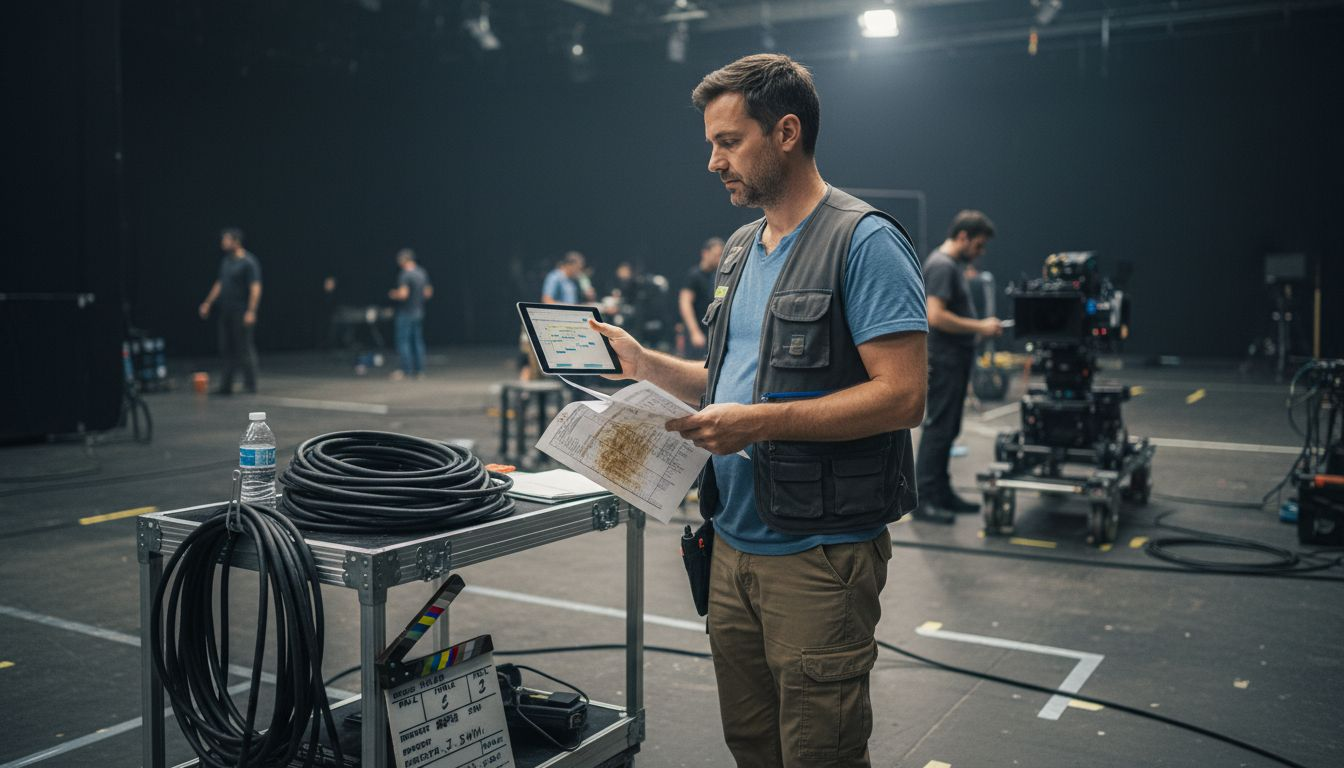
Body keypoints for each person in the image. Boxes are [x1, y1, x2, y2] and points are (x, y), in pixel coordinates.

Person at [588, 54, 927, 768]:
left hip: (817, 556)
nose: (712, 161)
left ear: (786, 133)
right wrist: (646, 365)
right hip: (732, 545)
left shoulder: (864, 241)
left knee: (819, 754)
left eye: (727, 140)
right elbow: (728, 376)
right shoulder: (743, 248)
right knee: (753, 746)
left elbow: (903, 395)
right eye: (711, 142)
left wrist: (759, 421)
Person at [913, 210, 1003, 524]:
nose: (980, 253)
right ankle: (925, 500)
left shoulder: (953, 266)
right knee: (939, 428)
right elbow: (934, 316)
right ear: (963, 236)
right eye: (978, 246)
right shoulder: (941, 266)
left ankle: (941, 492)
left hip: (955, 359)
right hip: (944, 359)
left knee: (949, 428)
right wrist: (980, 327)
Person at [198, 227, 261, 395]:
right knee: (226, 348)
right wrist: (207, 303)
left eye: (226, 240)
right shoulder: (226, 261)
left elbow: (255, 287)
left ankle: (251, 384)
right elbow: (220, 284)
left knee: (244, 348)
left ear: (236, 241)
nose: (223, 243)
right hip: (226, 310)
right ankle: (226, 385)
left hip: (241, 311)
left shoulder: (248, 262)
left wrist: (251, 311)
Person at [388, 249, 433, 380]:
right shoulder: (421, 273)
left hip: (406, 312)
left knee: (403, 341)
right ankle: (420, 371)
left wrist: (393, 294)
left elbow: (403, 294)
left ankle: (406, 370)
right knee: (418, 341)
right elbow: (428, 293)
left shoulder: (405, 275)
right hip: (419, 311)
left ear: (404, 260)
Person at [678, 237, 724, 357]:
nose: (719, 259)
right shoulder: (694, 275)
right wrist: (694, 332)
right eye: (716, 255)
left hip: (712, 334)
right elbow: (685, 303)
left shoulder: (719, 277)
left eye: (721, 255)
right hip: (697, 334)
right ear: (705, 253)